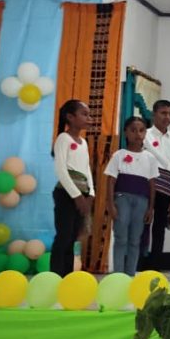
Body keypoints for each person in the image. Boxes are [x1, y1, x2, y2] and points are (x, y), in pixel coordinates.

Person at [104, 116, 158, 275]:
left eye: (141, 130)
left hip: (142, 201)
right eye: (133, 130)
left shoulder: (150, 158)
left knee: (135, 239)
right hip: (122, 199)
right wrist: (111, 204)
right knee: (121, 237)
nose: (137, 134)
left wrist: (151, 208)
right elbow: (111, 181)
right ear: (125, 132)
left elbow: (152, 185)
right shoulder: (119, 155)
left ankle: (130, 274)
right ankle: (118, 274)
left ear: (145, 133)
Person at [51, 100, 94, 276]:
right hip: (65, 194)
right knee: (64, 235)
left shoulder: (83, 142)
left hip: (82, 194)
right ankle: (55, 275)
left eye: (89, 114)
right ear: (70, 117)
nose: (89, 118)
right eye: (84, 114)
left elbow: (87, 169)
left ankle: (67, 275)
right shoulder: (63, 139)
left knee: (73, 238)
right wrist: (77, 196)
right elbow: (61, 170)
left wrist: (91, 193)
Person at [143, 99, 170, 269]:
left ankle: (155, 264)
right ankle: (139, 262)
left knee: (160, 225)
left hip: (167, 184)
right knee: (143, 222)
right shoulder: (145, 134)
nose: (167, 117)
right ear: (154, 114)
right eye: (163, 113)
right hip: (147, 182)